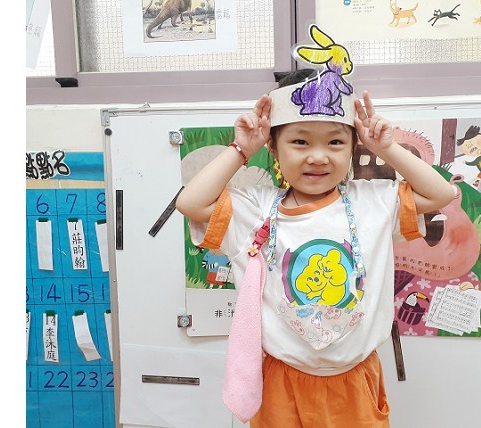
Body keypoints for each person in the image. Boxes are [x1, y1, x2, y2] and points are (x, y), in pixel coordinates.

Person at [176, 74, 455, 426]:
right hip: (281, 379)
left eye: (335, 142)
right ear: (273, 148)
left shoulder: (375, 202)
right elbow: (190, 203)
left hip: (355, 379)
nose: (318, 157)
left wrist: (386, 148)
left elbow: (441, 194)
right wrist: (241, 149)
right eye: (300, 142)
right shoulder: (254, 209)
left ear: (353, 147)